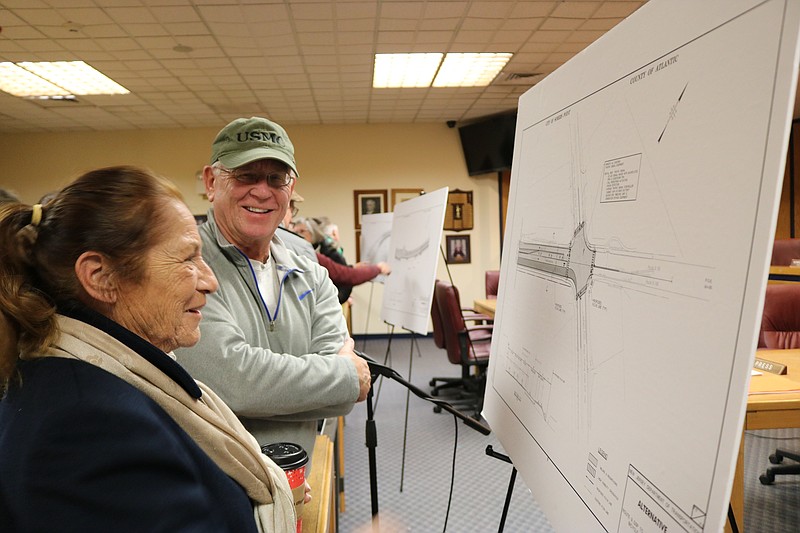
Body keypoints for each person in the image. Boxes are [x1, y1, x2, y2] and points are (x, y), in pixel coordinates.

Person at [0, 166, 295, 531]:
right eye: (188, 259)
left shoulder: (106, 379)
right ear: (101, 277)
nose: (210, 281)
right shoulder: (89, 426)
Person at [174, 116, 372, 460]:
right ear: (211, 181)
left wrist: (327, 387)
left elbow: (341, 400)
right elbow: (232, 382)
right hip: (217, 489)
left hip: (297, 481)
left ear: (290, 189)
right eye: (246, 175)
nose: (262, 191)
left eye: (276, 178)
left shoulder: (310, 271)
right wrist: (339, 377)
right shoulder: (187, 267)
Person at [295, 217, 391, 303]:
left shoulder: (313, 252)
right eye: (295, 232)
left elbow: (336, 271)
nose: (297, 235)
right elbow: (347, 276)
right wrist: (378, 268)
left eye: (302, 231)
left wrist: (351, 267)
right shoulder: (311, 255)